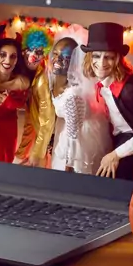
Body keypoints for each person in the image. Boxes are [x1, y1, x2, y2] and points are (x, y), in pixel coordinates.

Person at [81, 22, 133, 182]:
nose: (102, 63)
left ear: (117, 59)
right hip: (116, 136)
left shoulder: (129, 89)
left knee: (112, 179)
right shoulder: (103, 82)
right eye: (97, 56)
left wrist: (115, 155)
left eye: (109, 57)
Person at [49, 42, 113, 174]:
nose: (58, 60)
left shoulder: (73, 95)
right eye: (55, 54)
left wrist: (68, 167)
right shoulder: (60, 84)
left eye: (66, 57)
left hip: (78, 145)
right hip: (73, 133)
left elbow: (73, 137)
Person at [14, 24, 56, 166]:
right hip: (35, 123)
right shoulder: (26, 71)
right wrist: (20, 155)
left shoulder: (42, 81)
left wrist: (37, 152)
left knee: (40, 165)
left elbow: (47, 121)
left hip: (47, 130)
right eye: (29, 50)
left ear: (44, 54)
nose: (32, 56)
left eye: (38, 52)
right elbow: (30, 121)